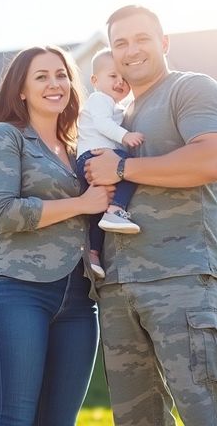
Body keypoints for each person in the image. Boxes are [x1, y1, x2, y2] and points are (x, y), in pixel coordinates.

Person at [85, 5, 217, 426]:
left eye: (141, 39)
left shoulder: (191, 89)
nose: (131, 50)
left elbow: (213, 158)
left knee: (203, 415)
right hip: (117, 288)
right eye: (120, 44)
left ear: (164, 42)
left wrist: (122, 168)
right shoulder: (118, 116)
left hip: (182, 279)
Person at [0, 45, 112, 425]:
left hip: (79, 298)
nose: (54, 83)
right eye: (41, 77)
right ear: (21, 90)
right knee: (15, 418)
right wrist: (82, 204)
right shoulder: (5, 137)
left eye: (61, 75)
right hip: (18, 289)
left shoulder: (80, 149)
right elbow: (5, 213)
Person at [76, 47, 144, 279]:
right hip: (94, 157)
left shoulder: (116, 106)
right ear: (95, 80)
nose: (119, 82)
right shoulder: (99, 99)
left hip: (94, 157)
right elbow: (104, 125)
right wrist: (125, 137)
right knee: (131, 168)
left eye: (124, 78)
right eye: (112, 76)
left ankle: (93, 256)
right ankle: (117, 210)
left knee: (97, 212)